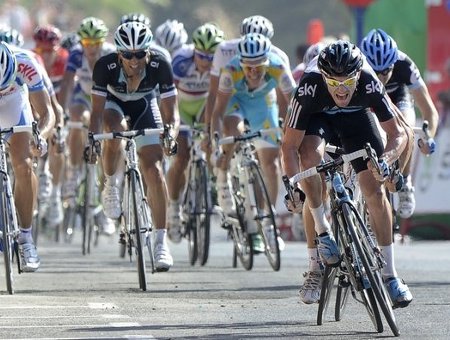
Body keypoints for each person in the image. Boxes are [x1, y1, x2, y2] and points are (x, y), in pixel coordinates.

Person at [281, 40, 414, 307]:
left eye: (347, 82)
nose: (341, 89)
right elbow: (289, 146)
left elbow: (398, 134)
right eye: (334, 82)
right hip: (320, 118)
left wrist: (385, 162)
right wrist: (292, 186)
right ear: (324, 77)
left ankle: (390, 275)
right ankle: (321, 238)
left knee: (374, 191)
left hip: (357, 119)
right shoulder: (309, 85)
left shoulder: (368, 81)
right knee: (309, 161)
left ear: (357, 75)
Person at [89, 21, 180, 271]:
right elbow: (96, 113)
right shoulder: (104, 66)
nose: (134, 59)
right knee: (114, 132)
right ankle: (111, 185)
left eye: (140, 54)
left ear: (148, 52)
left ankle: (161, 243)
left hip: (145, 105)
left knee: (154, 169)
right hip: (114, 105)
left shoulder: (160, 64)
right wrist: (92, 138)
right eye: (128, 54)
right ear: (119, 53)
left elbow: (172, 112)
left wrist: (170, 133)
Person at [211, 33, 295, 252]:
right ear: (241, 62)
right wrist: (217, 140)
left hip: (264, 108)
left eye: (259, 66)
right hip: (236, 105)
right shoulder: (230, 70)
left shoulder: (278, 66)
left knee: (271, 164)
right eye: (248, 67)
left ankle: (268, 222)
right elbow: (218, 111)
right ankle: (223, 176)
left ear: (268, 62)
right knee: (232, 129)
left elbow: (295, 103)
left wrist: (292, 129)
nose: (253, 72)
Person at [361, 28, 438, 218]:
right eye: (374, 71)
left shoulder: (405, 64)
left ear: (393, 63)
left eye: (385, 71)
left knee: (406, 127)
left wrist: (429, 136)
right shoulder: (357, 65)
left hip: (398, 97)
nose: (380, 77)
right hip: (369, 100)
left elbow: (429, 110)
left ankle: (405, 181)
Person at [165, 23, 225, 242]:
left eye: (211, 57)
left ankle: (213, 190)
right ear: (194, 52)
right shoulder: (180, 62)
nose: (206, 62)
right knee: (180, 158)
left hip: (202, 107)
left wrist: (210, 131)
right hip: (181, 108)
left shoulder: (222, 64)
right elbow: (166, 96)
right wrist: (171, 125)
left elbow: (218, 99)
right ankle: (173, 208)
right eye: (202, 56)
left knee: (210, 146)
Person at [0, 41, 55, 271]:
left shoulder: (25, 62)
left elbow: (47, 113)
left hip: (14, 101)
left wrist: (40, 137)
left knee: (23, 165)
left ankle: (25, 237)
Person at [58, 17, 116, 234]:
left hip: (107, 98)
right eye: (86, 43)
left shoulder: (111, 53)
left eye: (95, 43)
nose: (91, 48)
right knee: (75, 118)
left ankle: (104, 200)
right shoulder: (75, 53)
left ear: (102, 41)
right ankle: (73, 172)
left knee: (107, 138)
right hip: (83, 96)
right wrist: (61, 111)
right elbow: (66, 83)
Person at [32, 24, 68, 227]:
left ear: (57, 49)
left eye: (49, 51)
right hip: (40, 96)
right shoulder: (33, 60)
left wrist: (63, 122)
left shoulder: (65, 60)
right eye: (40, 50)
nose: (44, 55)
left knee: (58, 138)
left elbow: (68, 93)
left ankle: (55, 193)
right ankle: (41, 169)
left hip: (60, 99)